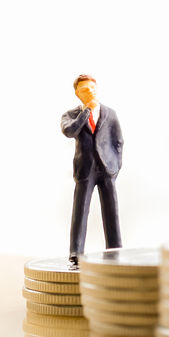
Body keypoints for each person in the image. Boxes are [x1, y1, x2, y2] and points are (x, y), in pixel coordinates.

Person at [60, 74, 123, 267]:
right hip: (85, 169)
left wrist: (116, 165)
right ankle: (76, 252)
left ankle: (115, 248)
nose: (90, 92)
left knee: (111, 210)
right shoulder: (71, 115)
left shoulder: (110, 113)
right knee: (80, 211)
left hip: (106, 168)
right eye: (85, 90)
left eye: (93, 88)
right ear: (78, 94)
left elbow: (118, 140)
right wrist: (85, 113)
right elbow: (69, 132)